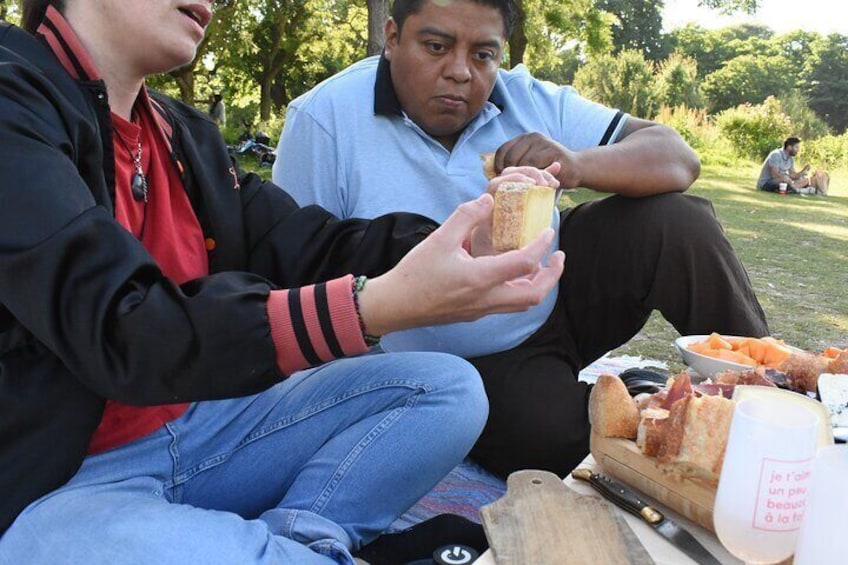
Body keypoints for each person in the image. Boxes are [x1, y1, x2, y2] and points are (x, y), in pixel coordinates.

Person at [0, 1, 565, 563]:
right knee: (42, 545)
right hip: (61, 484)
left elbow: (310, 242)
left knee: (449, 389)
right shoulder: (13, 103)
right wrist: (368, 309)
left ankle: (300, 541)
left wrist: (463, 244)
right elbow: (122, 324)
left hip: (202, 431)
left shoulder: (180, 134)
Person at [273, 0, 770, 479]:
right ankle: (639, 399)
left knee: (676, 221)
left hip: (556, 298)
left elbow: (677, 158)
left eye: (483, 54)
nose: (461, 72)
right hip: (452, 357)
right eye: (436, 46)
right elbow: (294, 271)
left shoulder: (524, 97)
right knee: (559, 445)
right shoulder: (326, 119)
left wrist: (575, 165)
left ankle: (768, 394)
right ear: (392, 37)